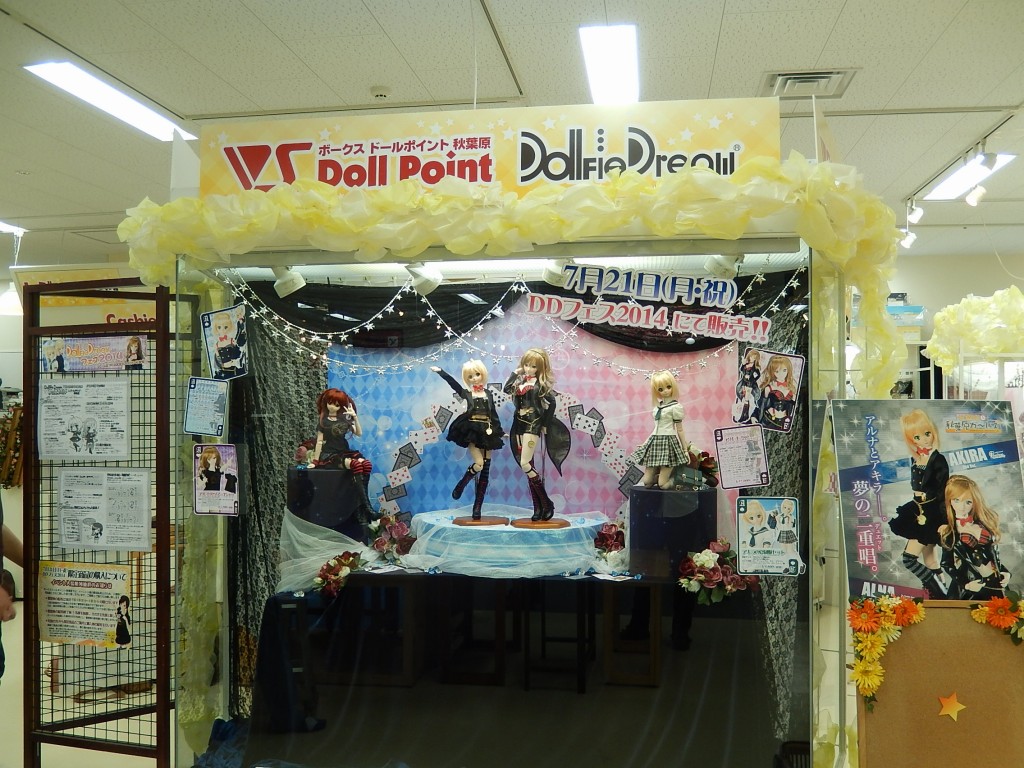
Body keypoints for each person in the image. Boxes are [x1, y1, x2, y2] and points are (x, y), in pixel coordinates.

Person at [431, 361, 504, 520]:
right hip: (472, 429)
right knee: (479, 463)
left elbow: (493, 413)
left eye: (477, 374)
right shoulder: (468, 393)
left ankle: (477, 507)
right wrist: (441, 372)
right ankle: (463, 483)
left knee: (485, 471)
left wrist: (499, 430)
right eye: (471, 376)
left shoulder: (488, 394)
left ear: (482, 374)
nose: (475, 378)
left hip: (488, 430)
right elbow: (453, 384)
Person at [503, 348, 570, 522]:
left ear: (539, 368)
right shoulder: (519, 382)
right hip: (519, 423)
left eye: (533, 366)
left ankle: (546, 503)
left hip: (533, 424)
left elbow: (552, 403)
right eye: (526, 365)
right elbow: (506, 389)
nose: (529, 369)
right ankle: (537, 507)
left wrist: (545, 424)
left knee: (525, 463)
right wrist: (515, 373)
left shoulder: (540, 385)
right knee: (528, 465)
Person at [888, 408, 948, 598]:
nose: (924, 440)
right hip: (917, 508)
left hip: (931, 512)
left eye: (927, 433)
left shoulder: (938, 460)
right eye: (917, 437)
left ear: (933, 432)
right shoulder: (916, 459)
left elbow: (942, 491)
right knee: (931, 561)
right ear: (911, 440)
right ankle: (941, 598)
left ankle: (938, 593)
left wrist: (943, 520)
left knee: (909, 559)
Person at [310, 388, 377, 539]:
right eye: (330, 403)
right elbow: (319, 442)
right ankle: (367, 508)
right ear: (326, 403)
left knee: (366, 464)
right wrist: (315, 460)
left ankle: (364, 507)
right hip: (331, 455)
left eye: (337, 405)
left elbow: (358, 433)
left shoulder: (345, 420)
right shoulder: (323, 421)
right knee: (356, 465)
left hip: (345, 451)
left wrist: (354, 417)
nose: (333, 407)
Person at [939, 475, 1009, 600]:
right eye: (956, 500)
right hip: (973, 587)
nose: (962, 506)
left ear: (974, 503)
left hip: (996, 584)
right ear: (949, 501)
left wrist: (1006, 573)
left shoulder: (983, 525)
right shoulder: (950, 533)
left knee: (1002, 611)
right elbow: (946, 564)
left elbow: (992, 557)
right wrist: (966, 584)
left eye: (968, 502)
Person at [629, 370, 689, 490]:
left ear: (673, 387)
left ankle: (676, 480)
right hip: (655, 442)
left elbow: (680, 430)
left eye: (668, 387)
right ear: (656, 391)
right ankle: (659, 476)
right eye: (661, 389)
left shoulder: (675, 407)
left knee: (663, 485)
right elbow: (656, 428)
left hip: (668, 442)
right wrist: (646, 443)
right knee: (647, 483)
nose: (665, 391)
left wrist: (685, 449)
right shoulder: (657, 408)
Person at [757, 354, 796, 431]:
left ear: (788, 370)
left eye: (784, 370)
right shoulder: (769, 388)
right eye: (777, 371)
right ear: (772, 372)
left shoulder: (791, 389)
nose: (781, 374)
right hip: (769, 419)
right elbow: (761, 406)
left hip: (784, 421)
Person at [211, 310, 245, 379]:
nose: (222, 330)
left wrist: (235, 346)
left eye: (225, 327)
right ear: (216, 328)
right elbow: (217, 360)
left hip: (234, 369)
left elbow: (237, 354)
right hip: (224, 371)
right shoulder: (217, 345)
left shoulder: (231, 340)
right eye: (219, 327)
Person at [732, 348, 761, 424]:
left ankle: (746, 413)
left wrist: (752, 379)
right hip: (743, 382)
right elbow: (741, 370)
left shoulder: (755, 367)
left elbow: (758, 375)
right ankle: (741, 413)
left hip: (750, 384)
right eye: (751, 357)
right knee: (742, 395)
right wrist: (743, 364)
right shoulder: (745, 364)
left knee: (747, 398)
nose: (752, 359)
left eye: (754, 358)